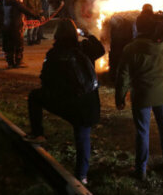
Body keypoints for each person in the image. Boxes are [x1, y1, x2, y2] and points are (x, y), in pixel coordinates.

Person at [25, 19, 105, 185]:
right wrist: (88, 34)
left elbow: (45, 79)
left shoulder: (54, 54)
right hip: (89, 106)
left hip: (67, 103)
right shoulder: (84, 49)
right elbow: (101, 49)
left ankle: (38, 133)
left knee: (35, 96)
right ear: (75, 33)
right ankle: (81, 176)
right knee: (83, 136)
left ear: (57, 34)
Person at [115, 5, 163, 180]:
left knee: (142, 131)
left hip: (141, 95)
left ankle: (141, 169)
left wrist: (120, 98)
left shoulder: (131, 48)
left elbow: (123, 76)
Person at [3, 0, 39, 68]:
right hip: (16, 28)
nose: (23, 0)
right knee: (19, 45)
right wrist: (38, 16)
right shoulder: (17, 3)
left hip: (6, 27)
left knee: (9, 46)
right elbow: (27, 10)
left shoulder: (6, 3)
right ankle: (19, 62)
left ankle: (10, 63)